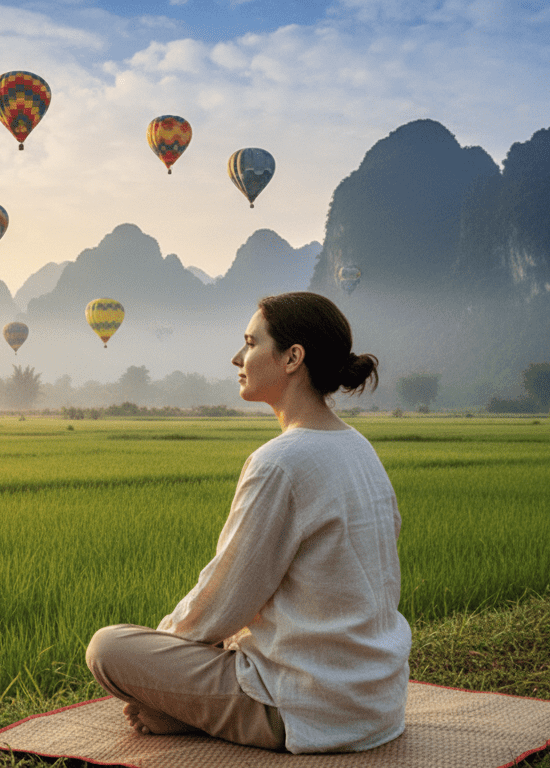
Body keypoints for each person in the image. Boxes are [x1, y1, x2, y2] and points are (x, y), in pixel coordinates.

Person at [85, 291, 411, 755]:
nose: (238, 357)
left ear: (293, 358)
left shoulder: (280, 462)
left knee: (108, 649)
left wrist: (161, 663)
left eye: (252, 343)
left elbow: (222, 601)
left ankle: (188, 713)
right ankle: (185, 710)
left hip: (303, 705)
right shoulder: (359, 448)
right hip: (376, 703)